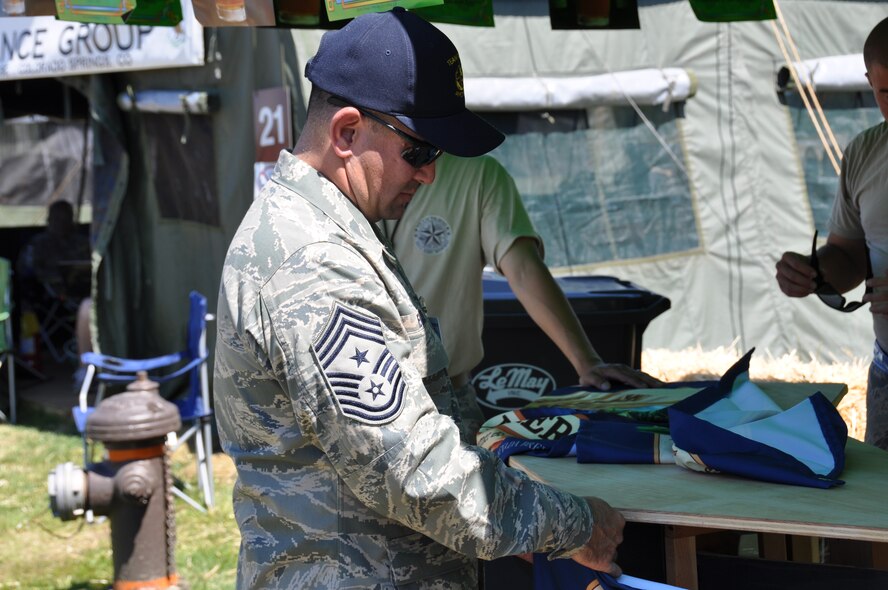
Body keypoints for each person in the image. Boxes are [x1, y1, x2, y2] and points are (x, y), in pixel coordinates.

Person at [214, 8, 625, 589]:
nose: (430, 174)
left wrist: (519, 515)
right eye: (420, 151)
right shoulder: (311, 264)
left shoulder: (331, 232)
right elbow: (411, 469)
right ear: (347, 133)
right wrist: (571, 524)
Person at [381, 153, 662, 440]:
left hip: (445, 395)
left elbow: (524, 268)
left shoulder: (476, 172)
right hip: (366, 394)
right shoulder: (342, 176)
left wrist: (587, 361)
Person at [775, 16, 888, 450]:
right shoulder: (865, 151)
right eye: (886, 92)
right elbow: (849, 256)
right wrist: (814, 273)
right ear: (868, 83)